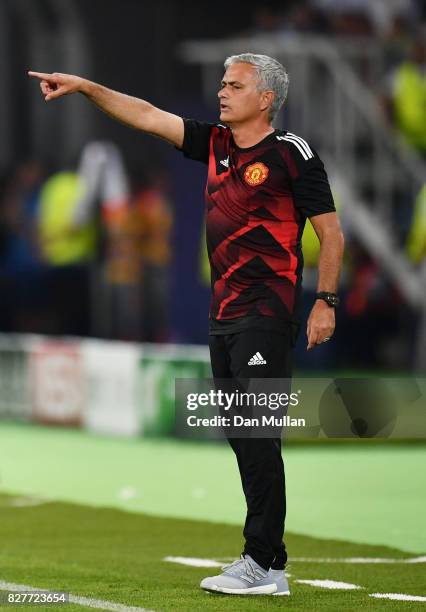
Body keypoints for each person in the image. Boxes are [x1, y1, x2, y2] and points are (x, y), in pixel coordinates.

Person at [29, 53, 344, 596]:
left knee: (258, 432)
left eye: (234, 85)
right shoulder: (216, 144)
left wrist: (326, 301)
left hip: (266, 311)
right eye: (221, 84)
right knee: (240, 433)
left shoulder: (292, 154)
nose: (221, 93)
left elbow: (331, 234)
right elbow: (146, 114)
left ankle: (266, 564)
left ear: (265, 99)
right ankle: (264, 561)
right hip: (222, 314)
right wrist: (84, 86)